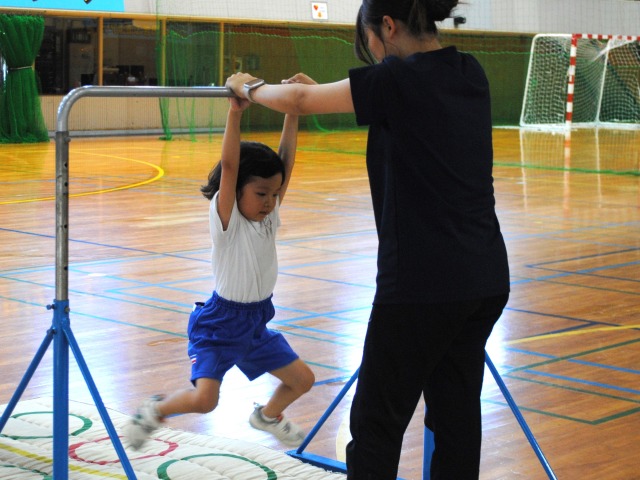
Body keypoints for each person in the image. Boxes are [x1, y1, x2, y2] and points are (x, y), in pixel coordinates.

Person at [225, 0, 510, 478]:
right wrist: (335, 93)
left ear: (389, 26)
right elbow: (403, 116)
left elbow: (296, 101)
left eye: (372, 43)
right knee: (456, 415)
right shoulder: (468, 71)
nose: (374, 55)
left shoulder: (395, 81)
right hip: (484, 277)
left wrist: (248, 88)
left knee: (376, 424)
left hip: (421, 286)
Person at [125, 91, 315, 450]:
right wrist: (234, 113)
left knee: (303, 379)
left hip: (254, 324)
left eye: (274, 194)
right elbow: (229, 166)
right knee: (205, 401)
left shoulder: (268, 216)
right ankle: (154, 411)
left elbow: (284, 165)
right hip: (219, 326)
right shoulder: (228, 220)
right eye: (261, 194)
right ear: (238, 189)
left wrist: (294, 110)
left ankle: (267, 416)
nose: (270, 202)